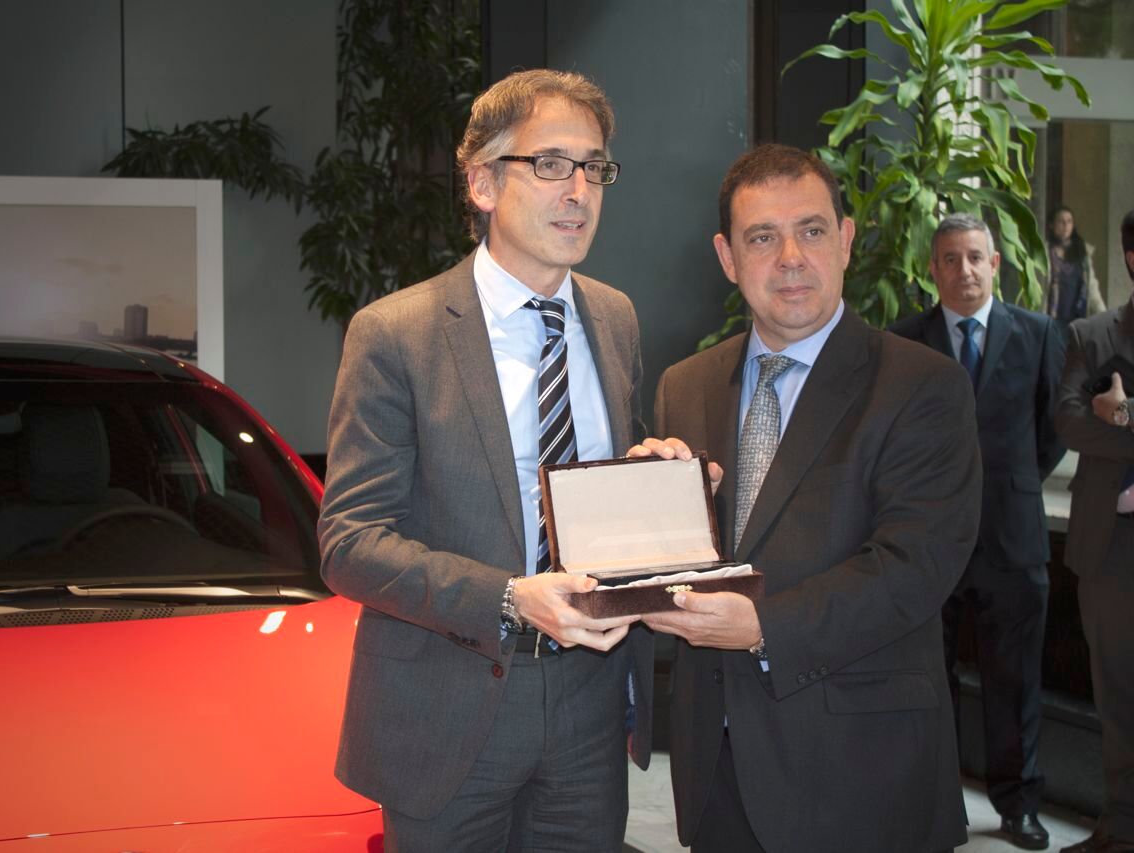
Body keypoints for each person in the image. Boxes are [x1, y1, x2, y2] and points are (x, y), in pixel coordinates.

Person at [317, 69, 653, 852]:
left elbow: (601, 495)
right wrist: (509, 597)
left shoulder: (615, 318)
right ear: (482, 183)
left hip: (590, 703)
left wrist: (659, 478)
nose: (579, 190)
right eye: (551, 163)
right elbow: (350, 543)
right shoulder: (396, 333)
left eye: (594, 166)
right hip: (449, 701)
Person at [631, 143, 979, 853]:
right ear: (728, 258)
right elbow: (677, 567)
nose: (790, 257)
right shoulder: (684, 386)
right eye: (762, 238)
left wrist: (762, 626)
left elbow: (915, 566)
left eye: (811, 230)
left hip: (864, 776)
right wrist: (644, 512)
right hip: (716, 771)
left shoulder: (923, 385)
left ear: (845, 240)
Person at [891, 213, 1065, 850]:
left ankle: (1018, 805)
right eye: (950, 259)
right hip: (926, 543)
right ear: (932, 270)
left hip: (1011, 540)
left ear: (995, 264)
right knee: (928, 679)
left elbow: (1051, 434)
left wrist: (1005, 490)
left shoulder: (1040, 334)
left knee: (1013, 680)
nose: (963, 270)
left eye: (974, 258)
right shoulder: (904, 342)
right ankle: (937, 802)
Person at [1054, 208, 1134, 853]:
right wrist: (1105, 421)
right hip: (1112, 549)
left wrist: (1124, 415)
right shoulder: (1091, 333)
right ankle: (1121, 828)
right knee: (1118, 698)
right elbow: (1069, 423)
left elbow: (1101, 421)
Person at [1048, 205, 1107, 328]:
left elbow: (1092, 287)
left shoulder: (1081, 252)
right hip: (1051, 318)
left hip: (1076, 319)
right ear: (1051, 225)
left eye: (1069, 221)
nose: (1066, 225)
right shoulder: (1045, 252)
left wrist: (1104, 316)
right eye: (1061, 221)